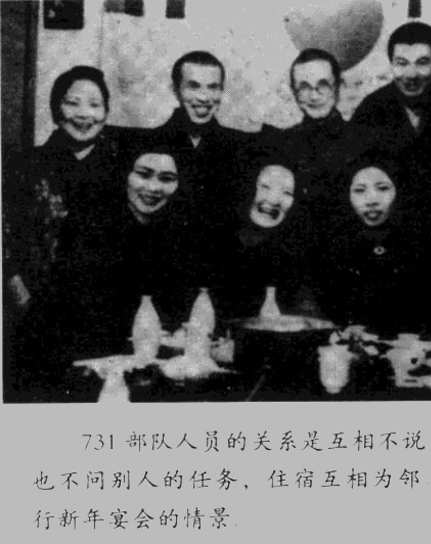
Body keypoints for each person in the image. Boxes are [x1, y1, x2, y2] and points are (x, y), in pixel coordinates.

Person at [11, 142, 210, 401]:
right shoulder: (90, 223)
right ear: (125, 175)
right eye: (143, 174)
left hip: (133, 361)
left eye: (166, 179)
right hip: (66, 360)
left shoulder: (178, 232)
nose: (153, 188)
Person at [2, 65, 129, 313]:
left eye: (95, 105)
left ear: (106, 112)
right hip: (35, 308)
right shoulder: (22, 165)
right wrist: (23, 301)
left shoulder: (123, 169)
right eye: (73, 103)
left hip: (107, 311)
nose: (84, 114)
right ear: (55, 110)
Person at [350, 21, 431, 230]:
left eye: (422, 62)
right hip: (392, 228)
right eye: (401, 63)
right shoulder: (371, 109)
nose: (411, 74)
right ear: (391, 64)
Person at [314, 154, 425, 335]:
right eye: (359, 190)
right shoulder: (334, 247)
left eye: (383, 188)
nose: (372, 200)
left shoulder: (419, 242)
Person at [262, 49, 371, 230]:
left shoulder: (363, 141)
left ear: (338, 86)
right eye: (304, 87)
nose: (314, 96)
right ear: (294, 91)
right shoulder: (281, 144)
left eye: (323, 85)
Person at [151, 50, 253, 233]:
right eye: (193, 86)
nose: (204, 97)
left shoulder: (243, 147)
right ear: (175, 90)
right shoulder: (149, 144)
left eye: (213, 87)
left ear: (222, 91)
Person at [212, 157, 318, 321]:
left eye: (287, 193)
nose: (273, 200)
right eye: (265, 187)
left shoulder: (299, 252)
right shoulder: (218, 240)